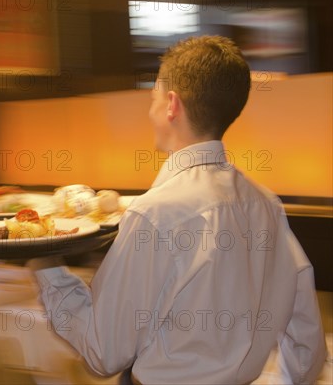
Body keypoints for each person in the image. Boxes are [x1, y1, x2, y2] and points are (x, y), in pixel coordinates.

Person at [28, 36, 327, 384]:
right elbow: (306, 343)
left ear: (171, 104)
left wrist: (44, 262)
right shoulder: (266, 205)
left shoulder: (154, 214)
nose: (150, 109)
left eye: (152, 97)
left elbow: (103, 353)